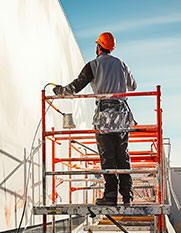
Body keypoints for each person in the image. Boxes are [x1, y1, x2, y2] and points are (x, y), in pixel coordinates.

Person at [53, 32, 137, 206]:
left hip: (104, 115)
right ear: (111, 47)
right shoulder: (121, 64)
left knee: (108, 157)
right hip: (122, 115)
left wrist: (60, 90)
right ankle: (128, 196)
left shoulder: (93, 65)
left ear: (98, 47)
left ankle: (111, 195)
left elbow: (75, 87)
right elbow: (133, 86)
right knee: (123, 156)